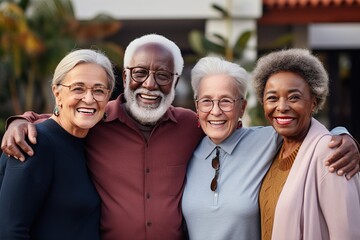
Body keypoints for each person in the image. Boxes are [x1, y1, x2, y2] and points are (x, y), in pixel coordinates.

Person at [1, 35, 359, 240]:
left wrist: (342, 135)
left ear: (176, 83)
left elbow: (294, 131)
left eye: (163, 76)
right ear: (125, 75)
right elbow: (68, 121)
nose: (150, 84)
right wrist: (21, 121)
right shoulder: (98, 122)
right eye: (140, 73)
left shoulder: (194, 125)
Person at [181, 56, 360, 240]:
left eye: (226, 101)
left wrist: (344, 136)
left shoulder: (267, 140)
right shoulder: (185, 149)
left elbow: (305, 129)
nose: (216, 110)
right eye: (206, 101)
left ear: (242, 107)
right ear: (196, 106)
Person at [0, 49, 115, 239]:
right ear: (57, 92)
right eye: (78, 88)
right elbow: (9, 231)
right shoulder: (34, 143)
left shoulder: (90, 142)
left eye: (98, 90)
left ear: (108, 96)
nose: (89, 98)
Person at [253, 49, 360, 239]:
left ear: (314, 102)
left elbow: (347, 232)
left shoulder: (330, 154)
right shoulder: (271, 148)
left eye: (294, 97)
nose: (282, 107)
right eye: (272, 98)